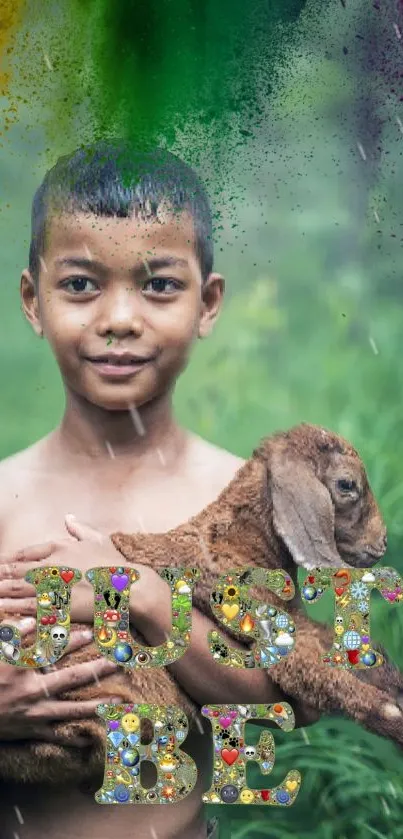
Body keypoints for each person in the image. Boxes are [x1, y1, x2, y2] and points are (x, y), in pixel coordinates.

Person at [0, 141, 316, 839]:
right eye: (80, 284)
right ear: (33, 300)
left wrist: (143, 594)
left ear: (207, 303)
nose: (119, 318)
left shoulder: (240, 498)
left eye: (158, 285)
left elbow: (273, 697)